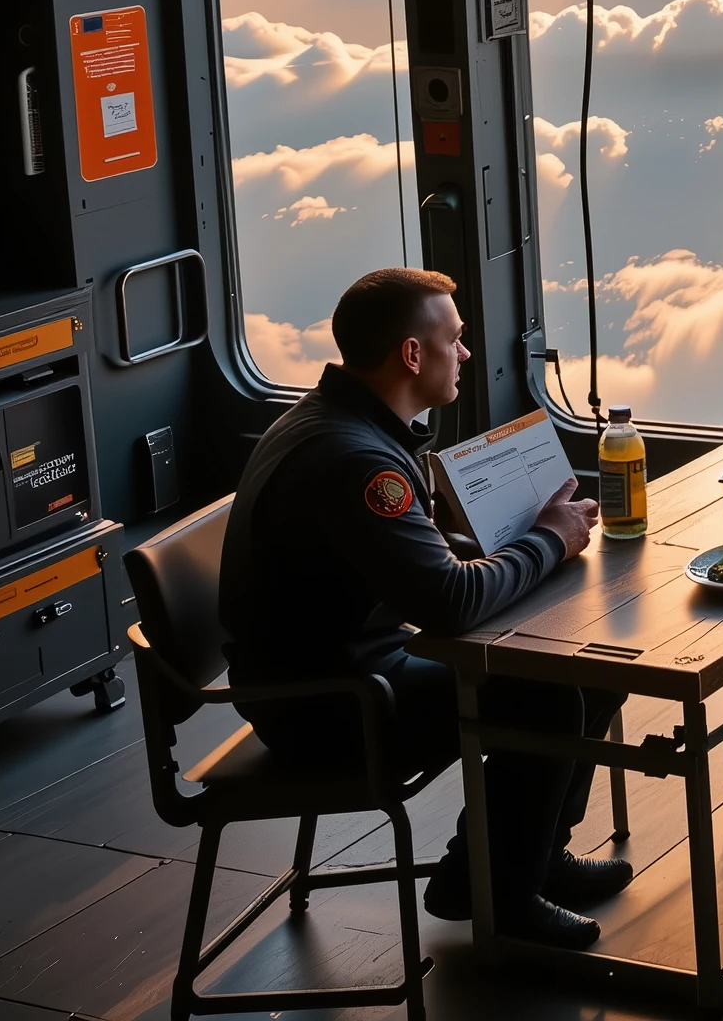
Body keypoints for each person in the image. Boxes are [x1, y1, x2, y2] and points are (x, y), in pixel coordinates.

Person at [221, 268, 625, 949]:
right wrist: (550, 540)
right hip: (331, 703)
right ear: (412, 355)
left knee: (591, 666)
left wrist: (513, 540)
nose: (465, 353)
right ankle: (499, 894)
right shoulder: (358, 461)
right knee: (549, 695)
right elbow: (449, 603)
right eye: (455, 339)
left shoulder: (343, 422)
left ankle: (526, 857)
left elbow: (410, 557)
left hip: (335, 666)